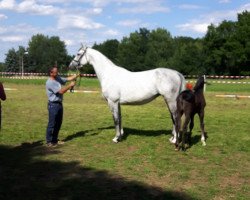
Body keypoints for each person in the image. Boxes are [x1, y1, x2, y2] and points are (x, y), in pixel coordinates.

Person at [46, 66, 79, 147]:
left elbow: (67, 79)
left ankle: (55, 140)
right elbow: (61, 91)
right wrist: (70, 85)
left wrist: (76, 76)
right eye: (56, 72)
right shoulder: (50, 82)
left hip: (59, 104)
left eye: (57, 72)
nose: (57, 73)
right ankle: (49, 141)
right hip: (53, 105)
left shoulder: (57, 78)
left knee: (58, 123)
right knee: (52, 124)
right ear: (51, 73)